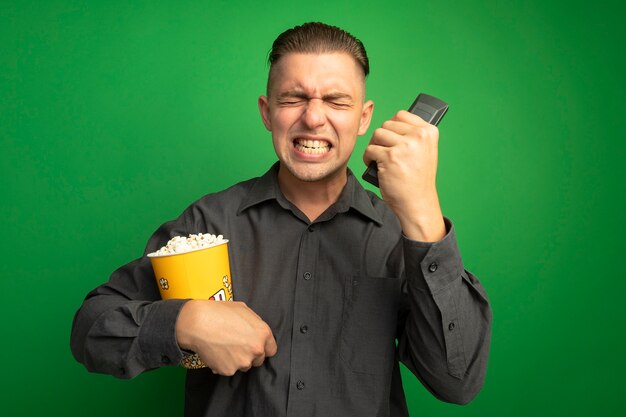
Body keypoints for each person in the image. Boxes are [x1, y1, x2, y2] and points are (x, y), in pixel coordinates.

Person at [70, 22, 491, 416]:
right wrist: (184, 323)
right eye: (293, 99)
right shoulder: (209, 220)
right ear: (267, 112)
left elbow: (457, 382)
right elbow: (90, 330)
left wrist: (422, 215)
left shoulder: (403, 237)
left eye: (335, 100)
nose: (313, 117)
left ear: (363, 117)